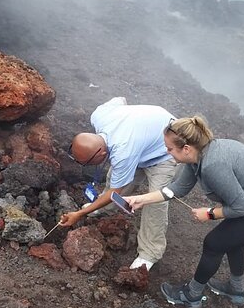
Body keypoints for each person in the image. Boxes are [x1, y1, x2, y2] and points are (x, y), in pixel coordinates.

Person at [124, 116, 244, 308]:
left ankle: (192, 295)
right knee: (231, 239)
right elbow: (177, 189)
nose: (167, 152)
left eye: (170, 149)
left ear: (186, 148)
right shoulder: (197, 156)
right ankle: (235, 289)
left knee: (214, 243)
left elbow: (241, 208)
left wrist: (210, 214)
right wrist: (140, 199)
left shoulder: (214, 165)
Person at [59, 96, 177, 271]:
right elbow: (120, 99)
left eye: (88, 163)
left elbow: (114, 190)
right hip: (143, 141)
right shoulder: (99, 116)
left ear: (101, 154)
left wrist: (81, 213)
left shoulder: (124, 151)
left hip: (165, 152)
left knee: (156, 201)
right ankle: (103, 208)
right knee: (117, 177)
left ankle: (149, 254)